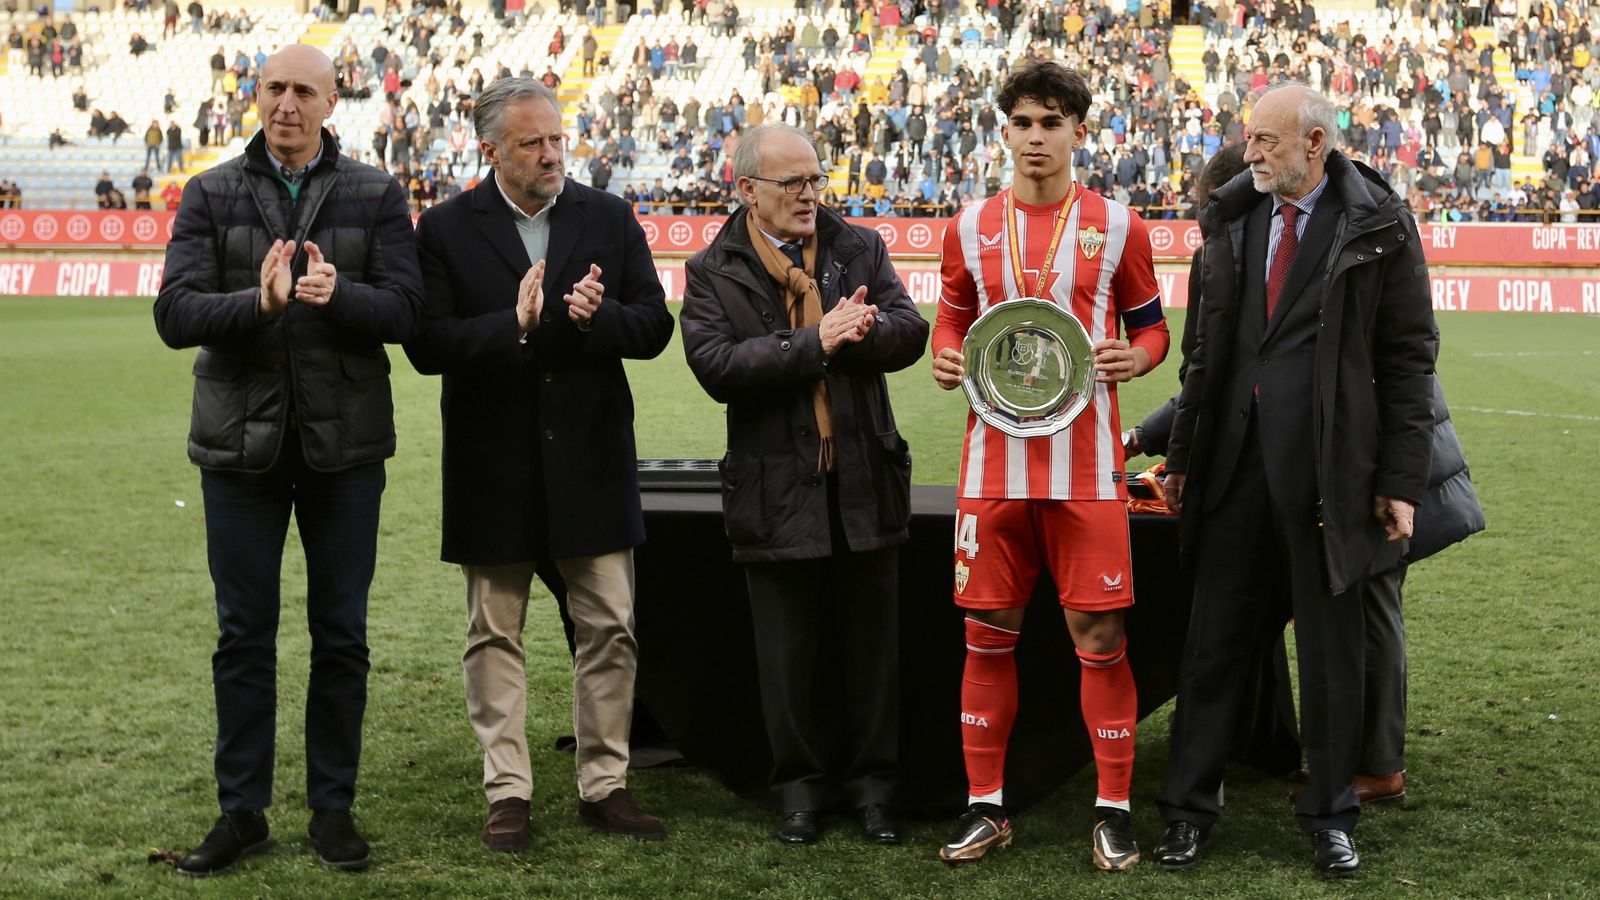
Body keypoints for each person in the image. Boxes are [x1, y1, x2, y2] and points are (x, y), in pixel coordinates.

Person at [1128, 141, 1487, 805]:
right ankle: (1271, 739)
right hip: (1341, 458)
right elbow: (1229, 377)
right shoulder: (1263, 250)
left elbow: (1390, 367)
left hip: (1375, 463)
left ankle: (1374, 765)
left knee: (1371, 604)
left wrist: (1393, 480)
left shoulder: (1341, 240)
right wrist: (1151, 440)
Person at [152, 44, 424, 878]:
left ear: (333, 101)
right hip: (239, 450)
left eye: (305, 90)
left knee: (341, 635)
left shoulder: (378, 193)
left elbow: (409, 313)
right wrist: (257, 302)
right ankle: (243, 811)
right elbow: (174, 312)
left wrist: (339, 295)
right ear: (255, 96)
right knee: (244, 637)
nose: (287, 104)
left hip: (345, 450)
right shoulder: (210, 191)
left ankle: (331, 809)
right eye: (274, 89)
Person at [1152, 83, 1436, 878]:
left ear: (1316, 143)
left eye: (1267, 141)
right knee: (1211, 649)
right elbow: (1201, 360)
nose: (1252, 153)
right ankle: (1187, 812)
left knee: (1331, 656)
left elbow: (1408, 361)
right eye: (1249, 139)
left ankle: (1331, 816)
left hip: (1331, 479)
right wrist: (1180, 456)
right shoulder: (1233, 217)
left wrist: (1400, 480)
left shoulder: (1378, 224)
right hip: (1233, 471)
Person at [401, 78, 673, 853]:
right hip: (493, 463)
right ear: (490, 150)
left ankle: (605, 785)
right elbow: (425, 345)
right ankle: (508, 790)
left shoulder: (609, 216)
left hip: (591, 458)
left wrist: (597, 318)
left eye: (557, 139)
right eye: (533, 142)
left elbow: (654, 325)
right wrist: (510, 326)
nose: (552, 153)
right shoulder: (447, 227)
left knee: (611, 628)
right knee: (495, 633)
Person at [928, 61, 1170, 871]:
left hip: (1086, 468)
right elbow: (952, 322)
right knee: (986, 634)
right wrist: (943, 356)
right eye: (1023, 123)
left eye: (1051, 123)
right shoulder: (967, 227)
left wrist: (1133, 363)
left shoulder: (1120, 226)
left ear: (1077, 131)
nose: (1036, 138)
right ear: (1007, 130)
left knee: (1100, 634)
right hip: (992, 467)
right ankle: (986, 808)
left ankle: (1113, 809)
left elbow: (1153, 330)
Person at [680, 123, 928, 846]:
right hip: (773, 488)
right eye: (793, 184)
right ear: (747, 189)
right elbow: (717, 367)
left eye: (816, 181)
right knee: (787, 658)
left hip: (864, 479)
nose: (810, 196)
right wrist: (812, 342)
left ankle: (875, 789)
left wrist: (865, 329)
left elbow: (910, 333)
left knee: (871, 651)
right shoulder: (711, 269)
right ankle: (799, 791)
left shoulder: (859, 246)